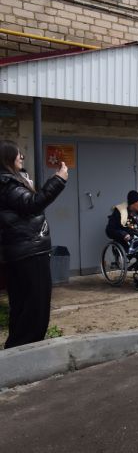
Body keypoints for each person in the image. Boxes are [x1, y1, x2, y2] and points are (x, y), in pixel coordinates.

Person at [0, 140, 67, 349]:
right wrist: (58, 179)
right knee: (35, 308)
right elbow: (33, 204)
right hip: (29, 252)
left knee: (23, 306)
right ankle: (26, 353)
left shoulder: (10, 181)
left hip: (22, 251)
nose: (22, 157)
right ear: (8, 157)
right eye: (18, 154)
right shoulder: (7, 183)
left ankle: (18, 351)